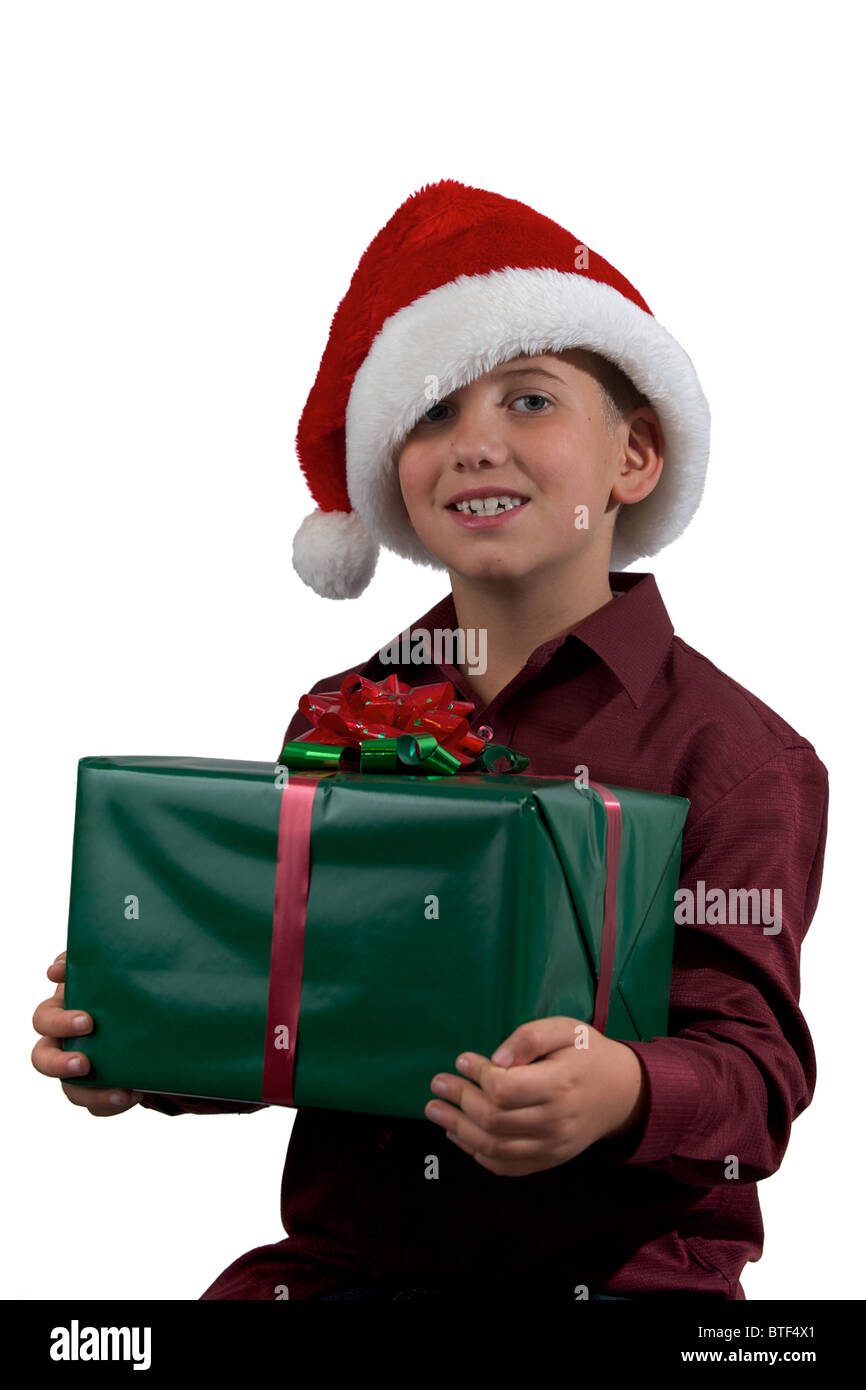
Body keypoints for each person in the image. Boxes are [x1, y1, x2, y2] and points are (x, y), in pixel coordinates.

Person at [32, 180, 829, 1301]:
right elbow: (296, 1011)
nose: (474, 444)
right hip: (349, 1267)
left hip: (627, 1274)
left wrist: (622, 1089)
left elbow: (754, 1072)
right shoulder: (336, 717)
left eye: (531, 401)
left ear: (633, 458)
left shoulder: (740, 757)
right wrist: (139, 1037)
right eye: (432, 411)